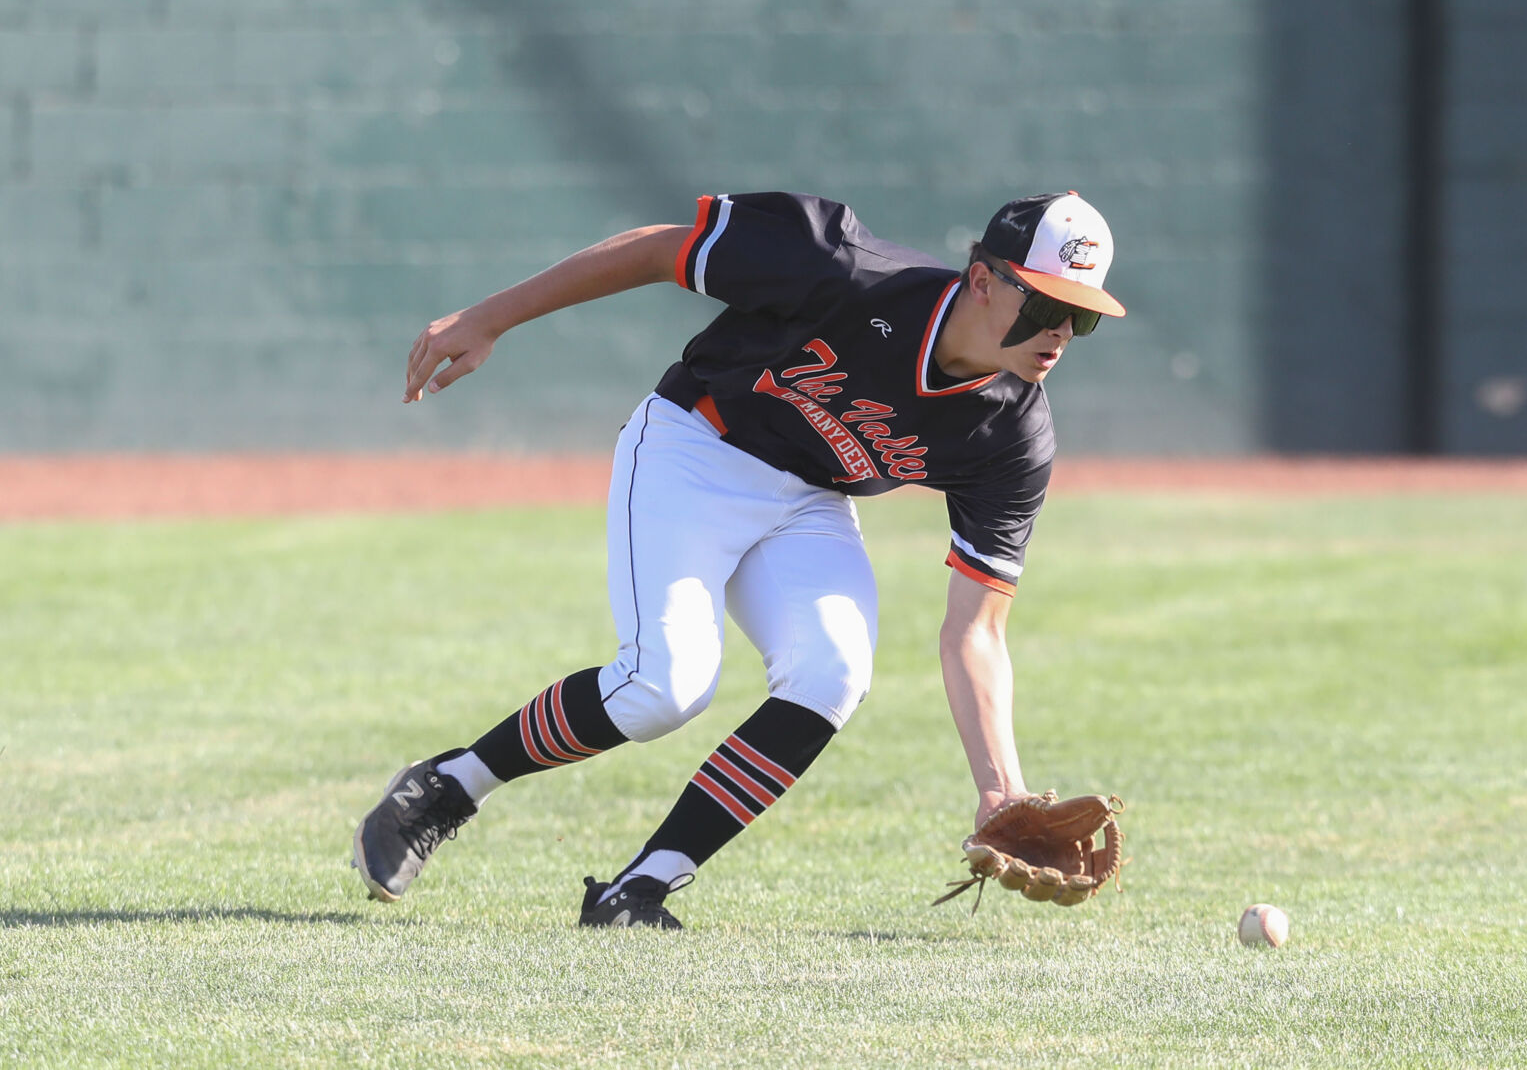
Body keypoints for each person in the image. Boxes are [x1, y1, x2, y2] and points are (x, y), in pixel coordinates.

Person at [352, 190, 1125, 928]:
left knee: (831, 676)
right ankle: (450, 786)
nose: (1058, 334)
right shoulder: (844, 267)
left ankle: (641, 885)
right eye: (1046, 305)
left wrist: (998, 790)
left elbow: (976, 631)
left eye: (1081, 320)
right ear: (982, 279)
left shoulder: (1013, 435)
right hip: (695, 446)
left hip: (812, 499)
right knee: (665, 686)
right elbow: (661, 251)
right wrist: (491, 319)